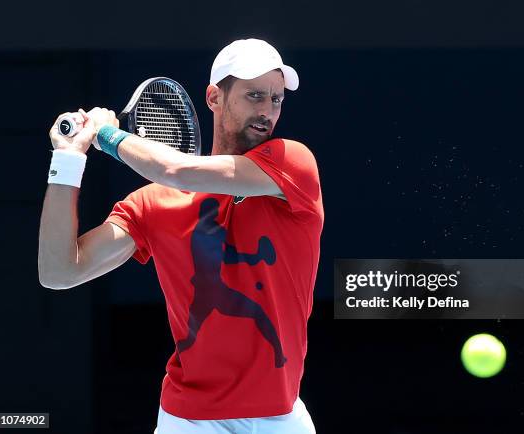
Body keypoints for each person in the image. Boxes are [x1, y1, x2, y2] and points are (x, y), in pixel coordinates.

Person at [38, 38, 323, 434]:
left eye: (275, 100)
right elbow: (59, 272)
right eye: (254, 95)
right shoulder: (153, 204)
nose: (266, 112)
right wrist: (68, 160)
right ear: (213, 97)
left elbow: (175, 170)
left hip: (283, 417)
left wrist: (106, 136)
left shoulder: (294, 165)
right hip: (189, 422)